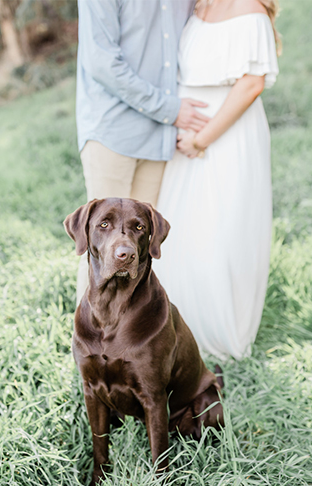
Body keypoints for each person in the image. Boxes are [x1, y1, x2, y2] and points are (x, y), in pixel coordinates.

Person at [153, 0, 281, 359]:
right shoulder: (197, 8)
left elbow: (251, 84)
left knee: (222, 231)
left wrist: (201, 138)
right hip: (185, 138)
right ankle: (178, 328)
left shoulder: (251, 12)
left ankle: (222, 337)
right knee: (186, 232)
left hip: (227, 137)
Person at [75, 0, 210, 302]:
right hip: (112, 130)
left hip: (159, 135)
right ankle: (90, 345)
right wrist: (169, 109)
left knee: (138, 254)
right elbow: (102, 62)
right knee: (102, 249)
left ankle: (134, 343)